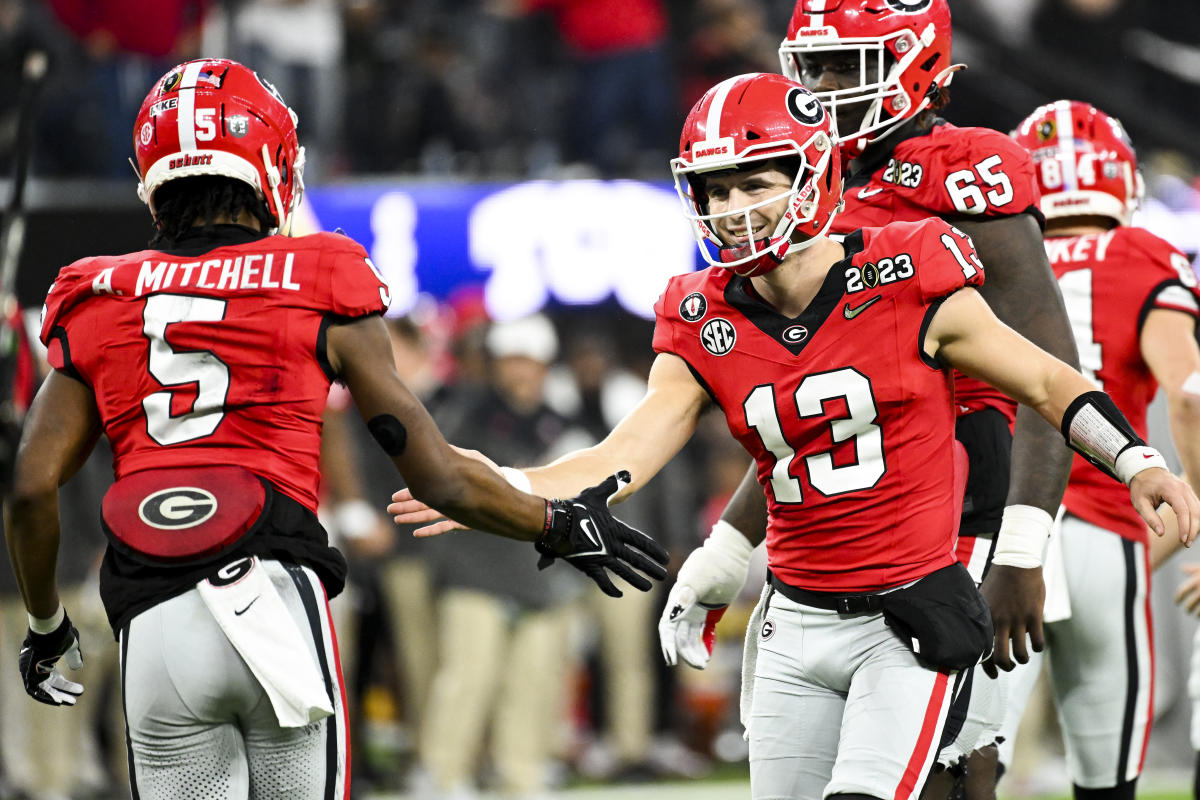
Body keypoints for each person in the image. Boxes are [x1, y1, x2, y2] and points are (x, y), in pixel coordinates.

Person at [390, 72, 1200, 800]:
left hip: (908, 615)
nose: (732, 209)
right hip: (793, 621)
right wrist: (499, 483)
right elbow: (618, 457)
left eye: (755, 181)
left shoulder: (911, 268)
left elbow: (1052, 382)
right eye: (713, 189)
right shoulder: (701, 312)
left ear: (811, 175)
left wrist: (1135, 459)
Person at [1, 57, 667, 800]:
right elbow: (438, 475)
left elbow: (31, 486)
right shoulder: (320, 272)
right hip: (275, 595)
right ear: (271, 164)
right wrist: (550, 521)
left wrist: (45, 621)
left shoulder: (96, 292)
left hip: (153, 613)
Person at [699, 1, 1084, 793]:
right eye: (816, 66)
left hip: (973, 494)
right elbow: (798, 410)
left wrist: (1020, 547)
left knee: (960, 757)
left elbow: (1052, 371)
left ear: (918, 64)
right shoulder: (801, 190)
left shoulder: (963, 166)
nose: (827, 86)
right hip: (843, 517)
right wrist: (730, 547)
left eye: (850, 65)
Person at [992, 100, 1200, 800]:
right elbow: (1191, 393)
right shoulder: (1142, 255)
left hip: (1003, 529)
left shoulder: (993, 260)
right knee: (1106, 776)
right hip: (1108, 529)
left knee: (966, 761)